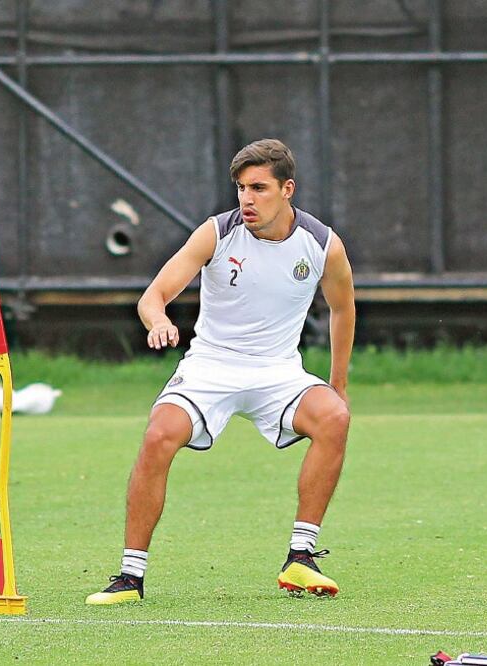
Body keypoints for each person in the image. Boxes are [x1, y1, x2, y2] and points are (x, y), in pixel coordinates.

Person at [85, 139, 355, 604]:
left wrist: (338, 385)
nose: (247, 199)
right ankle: (130, 577)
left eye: (259, 188)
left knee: (334, 417)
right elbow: (153, 296)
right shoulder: (216, 232)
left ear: (287, 189)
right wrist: (160, 320)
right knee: (158, 435)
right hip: (211, 366)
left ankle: (301, 558)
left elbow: (343, 310)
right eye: (240, 188)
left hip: (278, 372)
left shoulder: (322, 245)